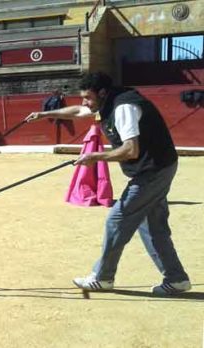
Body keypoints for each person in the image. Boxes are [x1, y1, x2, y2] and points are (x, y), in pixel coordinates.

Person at [25, 72, 190, 295]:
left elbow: (131, 150)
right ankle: (176, 278)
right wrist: (44, 113)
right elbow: (79, 111)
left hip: (153, 170)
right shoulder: (106, 102)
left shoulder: (124, 107)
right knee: (152, 228)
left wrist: (95, 157)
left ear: (102, 93)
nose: (85, 102)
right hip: (157, 167)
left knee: (117, 219)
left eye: (88, 97)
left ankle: (103, 277)